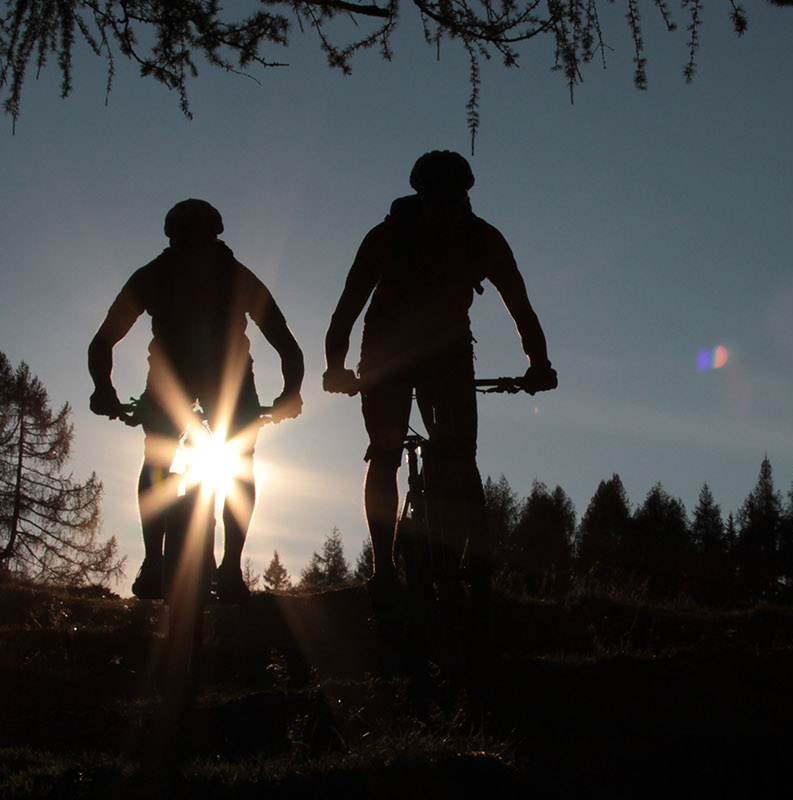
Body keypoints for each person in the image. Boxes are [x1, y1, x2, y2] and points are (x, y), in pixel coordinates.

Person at [323, 151, 557, 610]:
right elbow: (347, 308)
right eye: (435, 200)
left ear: (464, 197)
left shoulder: (483, 240)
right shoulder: (387, 238)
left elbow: (520, 306)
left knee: (459, 453)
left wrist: (539, 363)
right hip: (387, 347)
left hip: (447, 350)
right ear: (420, 197)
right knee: (387, 453)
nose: (443, 209)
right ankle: (384, 569)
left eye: (452, 199)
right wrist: (336, 366)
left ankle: (467, 560)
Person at [89, 199, 305, 604]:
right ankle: (198, 566)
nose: (193, 254)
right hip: (204, 380)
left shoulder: (158, 275)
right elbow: (287, 347)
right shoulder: (220, 276)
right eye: (186, 244)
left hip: (205, 380)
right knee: (227, 465)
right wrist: (288, 395)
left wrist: (105, 391)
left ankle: (184, 563)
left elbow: (103, 342)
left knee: (168, 461)